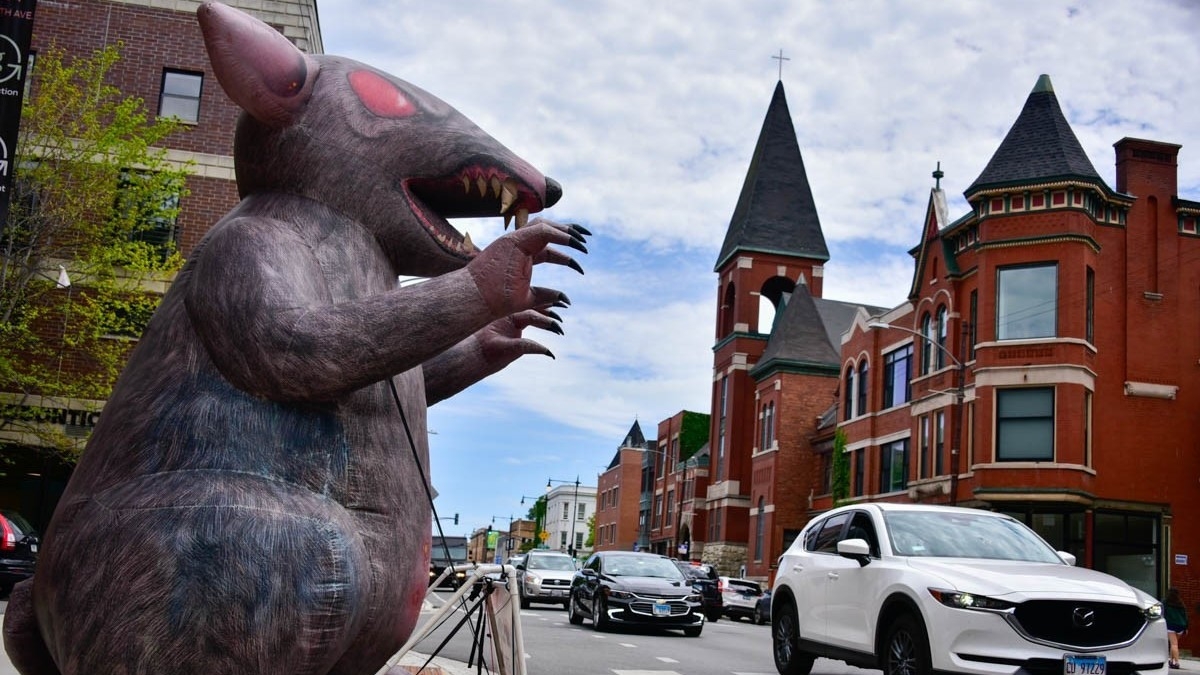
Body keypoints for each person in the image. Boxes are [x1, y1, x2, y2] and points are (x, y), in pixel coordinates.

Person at [1165, 587, 1189, 669]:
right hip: (1181, 626)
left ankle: (1177, 663)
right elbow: (1185, 616)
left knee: (1174, 644)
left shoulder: (1165, 602)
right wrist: (1186, 627)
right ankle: (1171, 661)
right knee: (1174, 644)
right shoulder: (1180, 603)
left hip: (1171, 625)